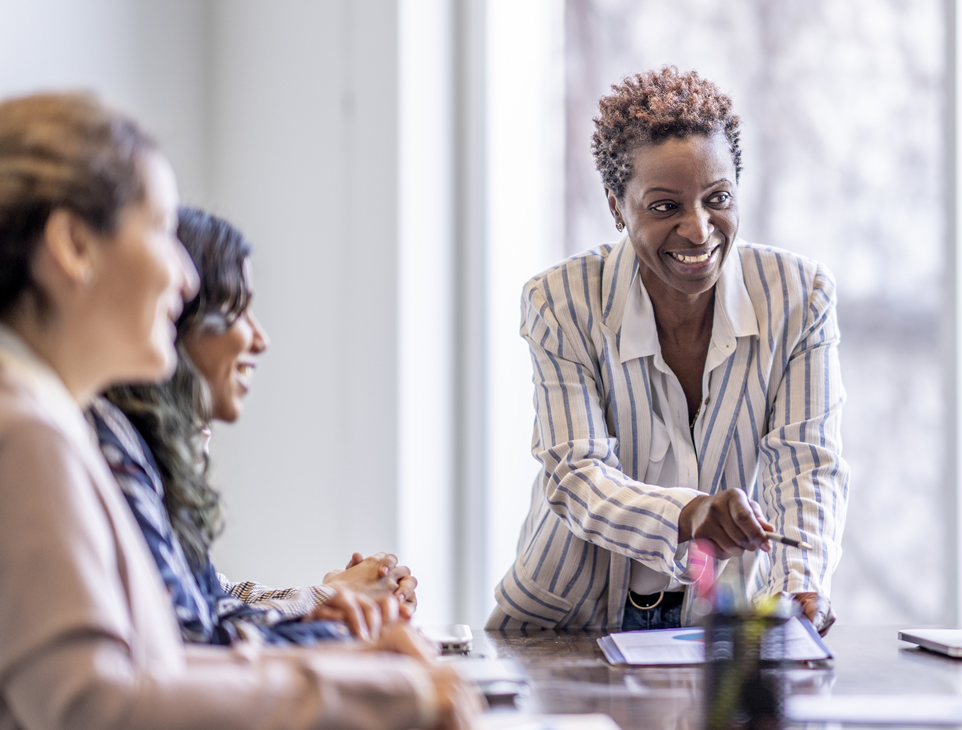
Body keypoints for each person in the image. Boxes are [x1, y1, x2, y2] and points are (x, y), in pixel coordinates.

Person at [0, 91, 476, 729]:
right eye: (161, 233)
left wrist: (357, 670)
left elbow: (156, 662)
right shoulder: (25, 430)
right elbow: (92, 706)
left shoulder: (43, 418)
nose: (187, 279)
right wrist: (373, 695)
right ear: (73, 246)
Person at [487, 66, 848, 632]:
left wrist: (798, 583)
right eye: (665, 207)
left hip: (713, 626)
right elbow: (577, 473)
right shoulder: (560, 301)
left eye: (718, 198)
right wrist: (688, 513)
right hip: (563, 627)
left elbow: (805, 463)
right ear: (616, 206)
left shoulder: (799, 298)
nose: (700, 230)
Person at [97, 205, 419, 646]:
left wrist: (327, 599)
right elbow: (193, 636)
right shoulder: (114, 446)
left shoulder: (152, 446)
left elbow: (213, 596)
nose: (261, 338)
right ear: (176, 316)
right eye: (236, 310)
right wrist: (329, 620)